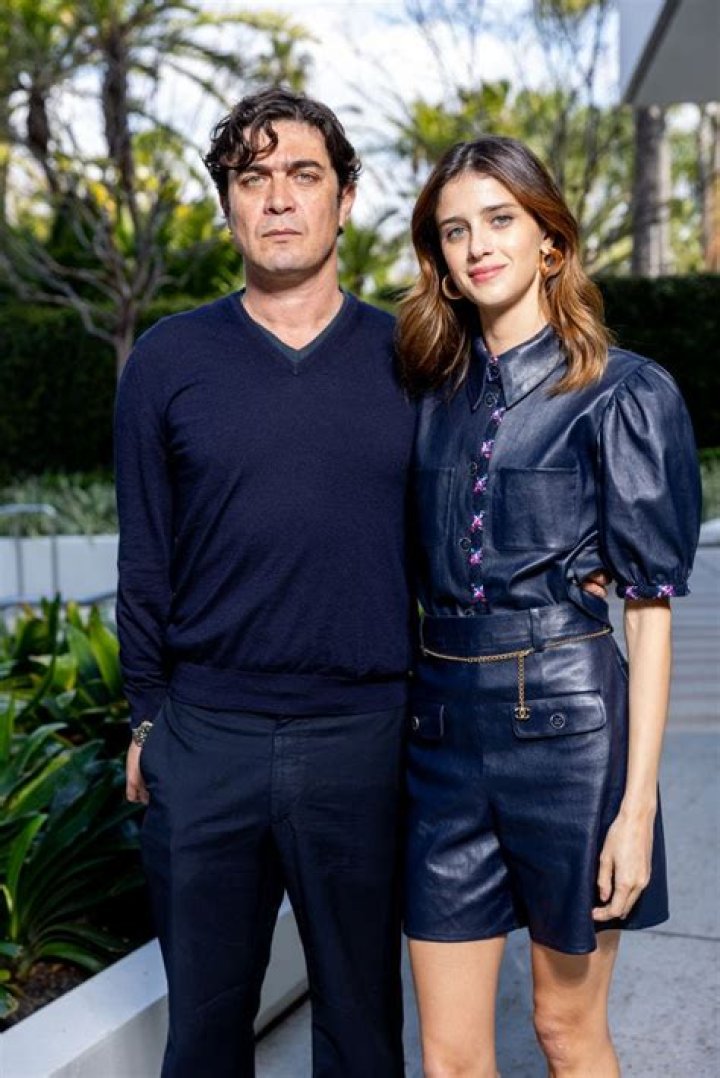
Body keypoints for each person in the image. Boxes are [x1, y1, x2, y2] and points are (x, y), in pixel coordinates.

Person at [114, 88, 415, 1078]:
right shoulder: (167, 360)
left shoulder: (412, 357)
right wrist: (149, 717)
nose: (279, 197)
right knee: (202, 1040)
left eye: (303, 174)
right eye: (253, 178)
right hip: (208, 739)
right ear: (229, 205)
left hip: (365, 739)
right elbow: (144, 553)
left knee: (363, 1036)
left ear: (345, 198)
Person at [396, 135, 701, 1078]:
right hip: (441, 738)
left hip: (572, 736)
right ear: (440, 259)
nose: (479, 245)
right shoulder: (422, 392)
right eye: (455, 231)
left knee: (566, 1031)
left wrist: (635, 812)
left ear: (550, 240)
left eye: (501, 219)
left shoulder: (625, 392)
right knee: (449, 1057)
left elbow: (649, 613)